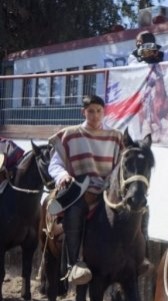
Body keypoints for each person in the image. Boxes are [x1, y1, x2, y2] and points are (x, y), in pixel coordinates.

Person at [47, 95, 125, 285]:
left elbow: (122, 165)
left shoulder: (115, 136)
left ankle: (137, 260)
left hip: (107, 190)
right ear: (84, 112)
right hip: (81, 190)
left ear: (104, 112)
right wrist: (63, 175)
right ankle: (74, 264)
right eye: (91, 111)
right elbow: (54, 164)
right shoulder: (70, 134)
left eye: (99, 111)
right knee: (75, 211)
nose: (95, 115)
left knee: (137, 211)